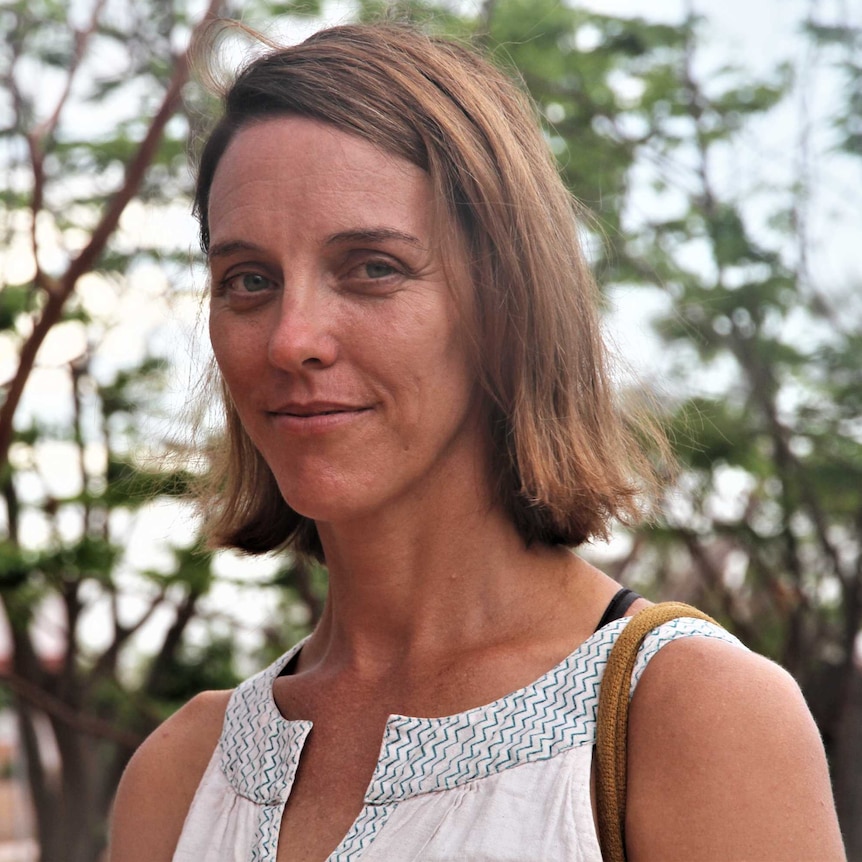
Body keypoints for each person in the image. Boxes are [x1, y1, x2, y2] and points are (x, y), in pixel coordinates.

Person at [109, 21, 845, 862]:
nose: (291, 339)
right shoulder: (181, 774)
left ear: (507, 303)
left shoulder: (689, 717)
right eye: (248, 280)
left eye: (372, 267)